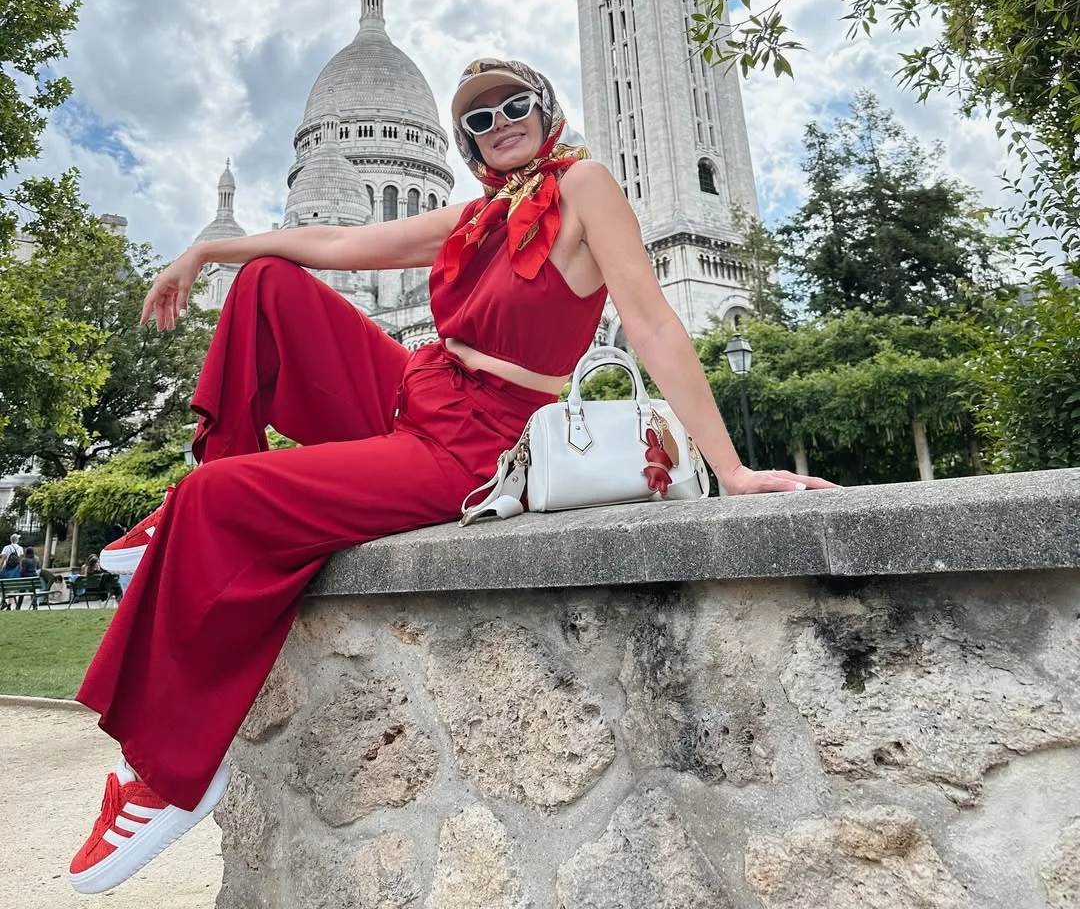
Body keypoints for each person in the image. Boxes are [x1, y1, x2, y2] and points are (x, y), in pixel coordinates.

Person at [69, 58, 833, 895]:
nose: (497, 121)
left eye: (512, 106)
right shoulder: (481, 215)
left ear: (545, 110)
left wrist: (730, 469)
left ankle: (171, 778)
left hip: (470, 445)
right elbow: (335, 245)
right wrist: (210, 248)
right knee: (268, 286)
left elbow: (650, 321)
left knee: (214, 500)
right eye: (477, 118)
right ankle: (190, 521)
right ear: (466, 142)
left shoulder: (584, 189)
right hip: (415, 389)